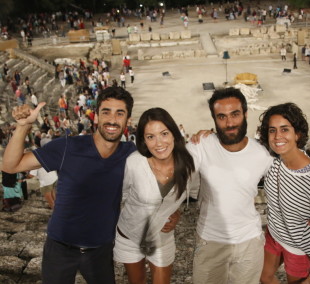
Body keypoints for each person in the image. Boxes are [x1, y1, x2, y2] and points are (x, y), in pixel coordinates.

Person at [2, 86, 136, 284]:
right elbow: (11, 166)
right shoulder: (67, 146)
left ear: (128, 120)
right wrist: (22, 127)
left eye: (120, 113)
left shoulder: (131, 153)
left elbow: (167, 164)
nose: (112, 120)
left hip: (101, 250)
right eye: (106, 112)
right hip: (59, 249)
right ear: (96, 117)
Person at [187, 87, 273, 284]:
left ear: (245, 114)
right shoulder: (200, 145)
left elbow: (287, 183)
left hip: (249, 243)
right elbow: (177, 174)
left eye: (235, 114)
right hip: (210, 241)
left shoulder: (262, 153)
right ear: (214, 119)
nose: (229, 123)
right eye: (221, 117)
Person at [114, 107, 194, 284]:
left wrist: (176, 212)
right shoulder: (134, 163)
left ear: (174, 133)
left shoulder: (189, 164)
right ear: (143, 140)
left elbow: (188, 196)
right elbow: (122, 195)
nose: (159, 143)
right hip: (130, 236)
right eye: (151, 137)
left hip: (161, 238)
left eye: (164, 134)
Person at [258, 102, 310, 284]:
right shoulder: (275, 162)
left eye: (284, 130)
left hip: (299, 247)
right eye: (272, 130)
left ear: (297, 134)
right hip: (274, 234)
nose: (277, 136)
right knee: (263, 277)